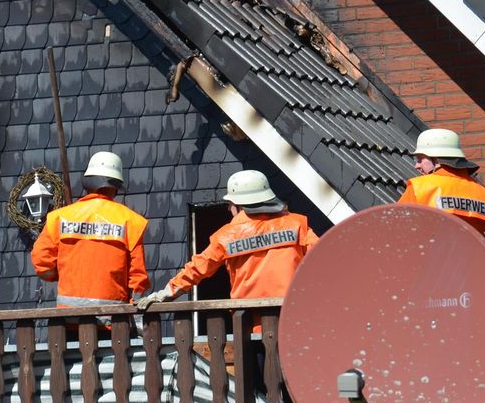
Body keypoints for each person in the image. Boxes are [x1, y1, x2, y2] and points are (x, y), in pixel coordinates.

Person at [138, 169, 317, 402]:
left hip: (252, 329)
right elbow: (322, 260)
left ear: (238, 205)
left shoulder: (228, 235)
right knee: (302, 388)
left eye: (230, 206)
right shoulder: (297, 224)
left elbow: (198, 268)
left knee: (262, 391)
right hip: (297, 324)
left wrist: (166, 293)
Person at [31, 151, 150, 315]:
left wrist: (67, 272)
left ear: (88, 182)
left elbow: (42, 264)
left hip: (70, 319)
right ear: (115, 187)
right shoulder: (130, 221)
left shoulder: (59, 218)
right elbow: (138, 278)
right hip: (114, 323)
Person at [398, 127, 485, 264]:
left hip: (433, 277)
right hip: (476, 279)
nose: (417, 165)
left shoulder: (419, 189)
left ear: (436, 160)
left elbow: (396, 237)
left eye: (421, 159)